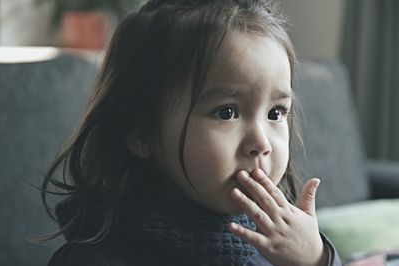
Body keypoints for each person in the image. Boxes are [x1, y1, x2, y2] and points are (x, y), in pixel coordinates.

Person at [42, 0, 342, 265]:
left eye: (275, 113)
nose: (261, 143)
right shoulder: (94, 257)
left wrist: (316, 260)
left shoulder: (279, 248)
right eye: (226, 112)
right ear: (141, 134)